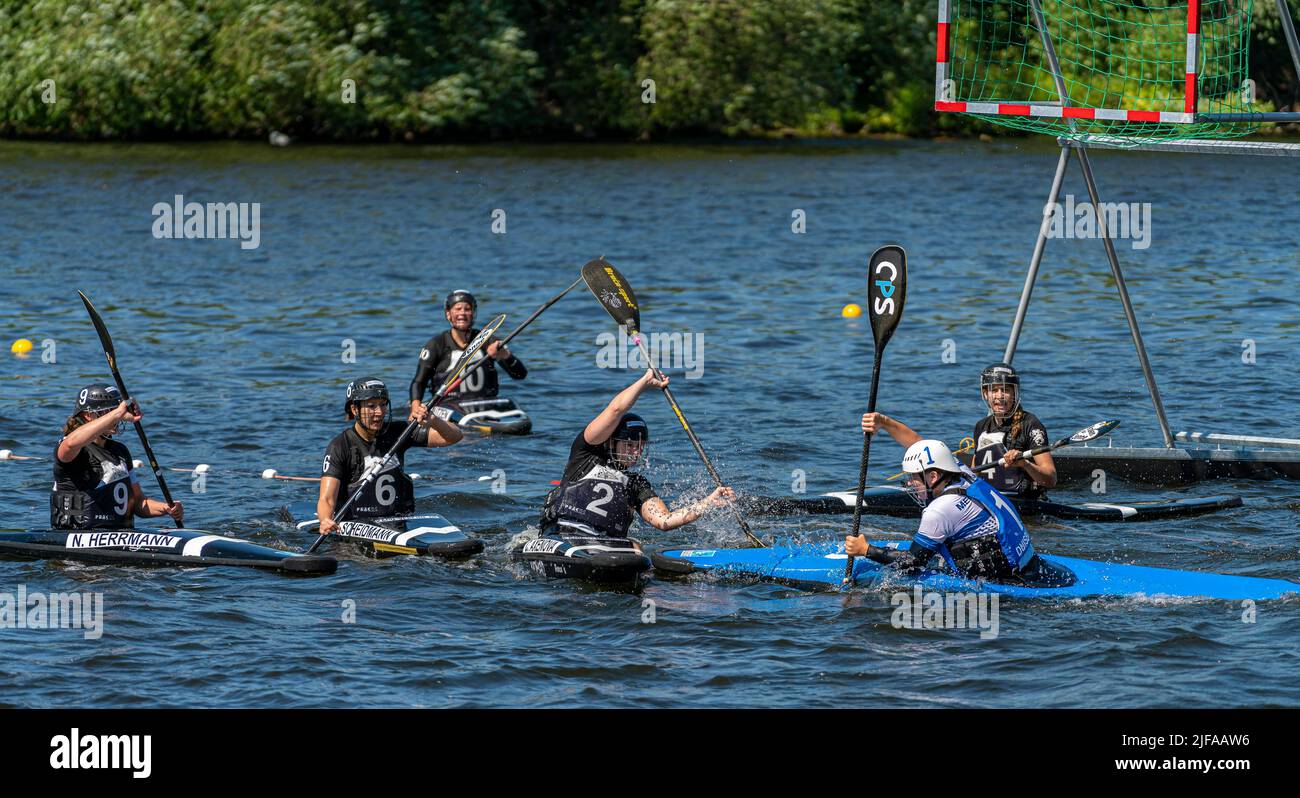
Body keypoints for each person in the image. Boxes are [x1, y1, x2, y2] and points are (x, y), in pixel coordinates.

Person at [844, 439, 1070, 586]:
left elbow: (913, 562)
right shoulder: (964, 472)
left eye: (913, 477)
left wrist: (867, 550)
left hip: (1009, 581)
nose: (910, 484)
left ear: (933, 477)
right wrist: (883, 423)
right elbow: (931, 449)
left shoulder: (939, 510)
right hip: (1032, 564)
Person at [539, 369, 735, 538]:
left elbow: (664, 521)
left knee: (635, 548)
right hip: (561, 534)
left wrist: (709, 502)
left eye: (640, 446)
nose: (636, 451)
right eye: (629, 445)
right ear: (611, 442)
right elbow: (616, 410)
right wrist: (645, 382)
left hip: (602, 546)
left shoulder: (636, 484)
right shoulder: (585, 454)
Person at [860, 361, 1056, 498]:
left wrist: (1025, 465)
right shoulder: (982, 426)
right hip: (990, 502)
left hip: (1025, 505)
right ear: (985, 394)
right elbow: (971, 472)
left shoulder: (1031, 424)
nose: (1000, 396)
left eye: (1005, 390)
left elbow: (1050, 479)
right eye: (994, 390)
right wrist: (883, 422)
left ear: (1015, 394)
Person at [316, 377, 463, 534]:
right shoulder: (339, 445)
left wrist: (434, 421)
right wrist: (325, 520)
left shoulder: (400, 432)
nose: (379, 412)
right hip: (356, 524)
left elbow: (454, 437)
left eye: (383, 404)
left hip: (398, 521)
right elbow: (327, 499)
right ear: (354, 409)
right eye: (371, 406)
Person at [51, 384, 183, 529]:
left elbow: (138, 503)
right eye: (107, 412)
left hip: (121, 535)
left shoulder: (120, 450)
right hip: (77, 535)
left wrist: (166, 508)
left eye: (114, 410)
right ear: (88, 415)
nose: (115, 418)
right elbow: (71, 443)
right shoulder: (71, 448)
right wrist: (117, 413)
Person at [408, 290, 526, 420]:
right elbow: (419, 382)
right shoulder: (436, 344)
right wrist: (415, 407)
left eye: (467, 309)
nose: (462, 313)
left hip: (485, 405)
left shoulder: (487, 340)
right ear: (448, 314)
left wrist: (505, 355)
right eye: (457, 309)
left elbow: (520, 375)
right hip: (449, 407)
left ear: (473, 313)